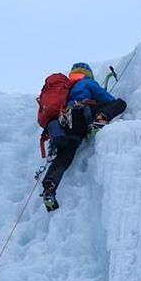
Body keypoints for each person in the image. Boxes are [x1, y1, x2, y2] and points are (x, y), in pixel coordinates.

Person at [39, 63, 127, 213]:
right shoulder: (87, 82)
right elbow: (108, 99)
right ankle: (100, 119)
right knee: (120, 103)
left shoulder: (66, 89)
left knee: (65, 155)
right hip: (82, 114)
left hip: (67, 124)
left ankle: (50, 186)